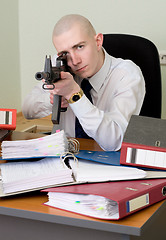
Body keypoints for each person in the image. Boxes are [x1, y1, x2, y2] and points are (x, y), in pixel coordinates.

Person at [22, 14, 145, 151]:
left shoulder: (127, 74)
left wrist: (75, 95)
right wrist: (52, 100)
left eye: (79, 47)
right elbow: (27, 110)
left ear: (98, 41)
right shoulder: (61, 68)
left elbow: (113, 142)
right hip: (64, 159)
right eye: (65, 53)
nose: (75, 61)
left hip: (108, 164)